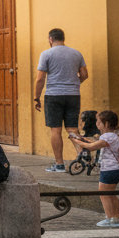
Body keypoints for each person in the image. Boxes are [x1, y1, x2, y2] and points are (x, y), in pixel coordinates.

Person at [35, 28, 88, 173]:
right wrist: (75, 83)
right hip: (73, 95)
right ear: (63, 38)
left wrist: (36, 97)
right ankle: (82, 155)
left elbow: (40, 79)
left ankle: (59, 164)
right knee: (72, 128)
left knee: (56, 130)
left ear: (50, 39)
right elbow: (84, 74)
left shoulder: (46, 54)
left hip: (54, 95)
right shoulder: (76, 53)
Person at [71, 110, 119, 227]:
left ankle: (110, 218)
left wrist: (76, 141)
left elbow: (92, 147)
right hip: (116, 169)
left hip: (109, 170)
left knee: (103, 194)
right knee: (111, 194)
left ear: (106, 124)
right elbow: (96, 142)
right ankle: (115, 217)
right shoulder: (116, 134)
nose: (97, 124)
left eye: (99, 122)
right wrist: (82, 139)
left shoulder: (108, 136)